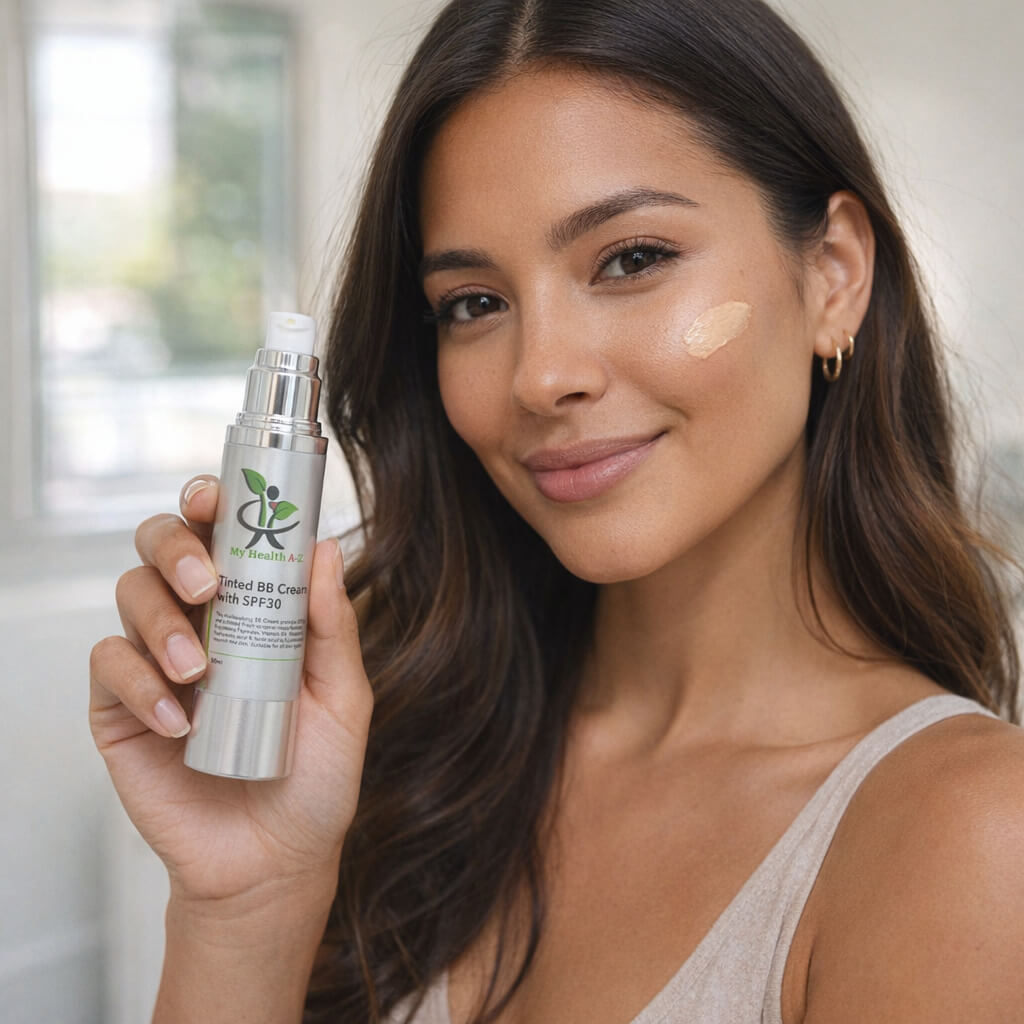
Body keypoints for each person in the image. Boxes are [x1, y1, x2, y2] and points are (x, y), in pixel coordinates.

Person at [89, 0, 1024, 1021]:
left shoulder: (967, 834)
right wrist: (244, 907)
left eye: (630, 259)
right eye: (473, 304)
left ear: (832, 275)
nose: (540, 376)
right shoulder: (408, 750)